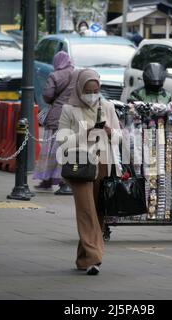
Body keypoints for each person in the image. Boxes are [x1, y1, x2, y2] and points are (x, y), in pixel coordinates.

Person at [57, 69, 122, 275]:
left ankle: (83, 258)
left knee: (99, 213)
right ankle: (95, 258)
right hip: (79, 165)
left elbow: (120, 136)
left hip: (103, 164)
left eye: (95, 90)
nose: (92, 94)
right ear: (79, 89)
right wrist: (84, 134)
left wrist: (110, 132)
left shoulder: (108, 107)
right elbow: (62, 139)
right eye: (88, 90)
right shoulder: (69, 109)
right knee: (86, 211)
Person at [33, 51, 75, 195]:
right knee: (66, 150)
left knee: (51, 150)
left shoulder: (54, 75)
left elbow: (47, 95)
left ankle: (47, 180)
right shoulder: (76, 74)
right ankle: (64, 180)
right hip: (72, 117)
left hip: (56, 116)